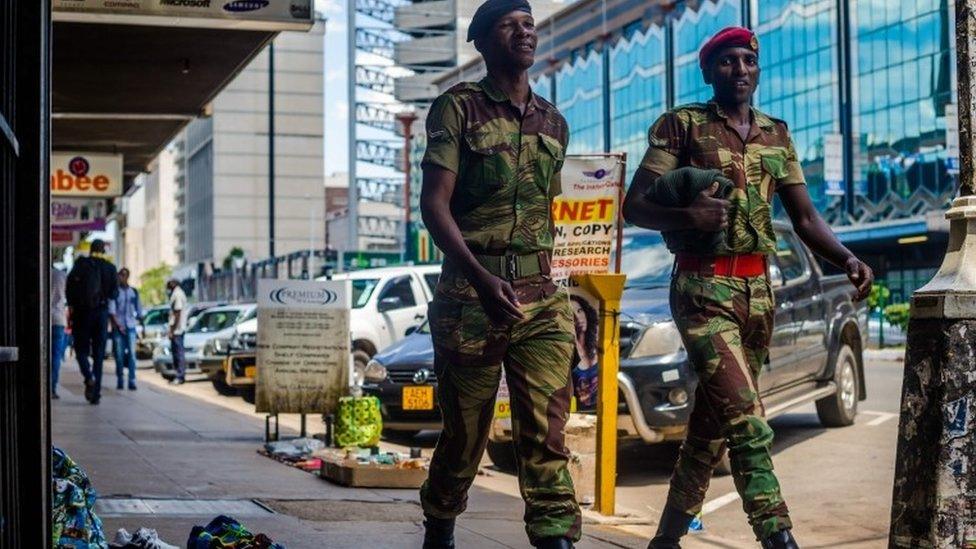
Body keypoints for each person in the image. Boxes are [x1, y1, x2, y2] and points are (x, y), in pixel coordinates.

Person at [622, 27, 874, 549]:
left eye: (748, 62)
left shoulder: (775, 134)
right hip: (701, 288)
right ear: (709, 71)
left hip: (759, 293)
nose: (740, 70)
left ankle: (665, 541)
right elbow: (636, 204)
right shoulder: (682, 126)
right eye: (727, 62)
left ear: (758, 70)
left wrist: (847, 257)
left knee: (711, 426)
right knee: (746, 419)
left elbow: (805, 218)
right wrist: (686, 213)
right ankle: (777, 535)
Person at [418, 0, 579, 547]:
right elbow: (434, 206)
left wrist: (570, 299)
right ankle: (439, 525)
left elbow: (551, 218)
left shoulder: (555, 121)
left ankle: (555, 536)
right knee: (466, 436)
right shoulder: (456, 109)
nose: (524, 32)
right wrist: (481, 280)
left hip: (541, 298)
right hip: (471, 293)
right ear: (483, 42)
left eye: (529, 24)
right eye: (510, 25)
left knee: (547, 435)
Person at [66, 239, 119, 404]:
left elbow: (69, 289)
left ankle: (88, 377)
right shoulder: (110, 268)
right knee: (98, 354)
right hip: (101, 314)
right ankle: (95, 394)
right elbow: (114, 294)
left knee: (81, 350)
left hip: (82, 314)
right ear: (103, 251)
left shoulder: (81, 264)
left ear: (90, 249)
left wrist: (73, 306)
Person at [110, 267, 142, 390]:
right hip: (119, 328)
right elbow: (112, 312)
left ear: (127, 276)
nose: (121, 277)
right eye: (120, 275)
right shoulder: (115, 292)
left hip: (131, 327)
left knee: (132, 355)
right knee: (119, 355)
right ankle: (120, 379)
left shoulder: (133, 292)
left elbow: (139, 310)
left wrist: (140, 324)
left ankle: (132, 380)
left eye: (124, 275)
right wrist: (117, 325)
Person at [569, 294, 598, 410]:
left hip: (602, 410)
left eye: (580, 311)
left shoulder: (597, 346)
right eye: (571, 314)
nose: (578, 317)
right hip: (579, 414)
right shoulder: (567, 351)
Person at [166, 278, 188, 385]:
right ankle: (178, 375)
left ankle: (180, 376)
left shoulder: (177, 294)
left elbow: (177, 312)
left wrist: (172, 330)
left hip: (177, 330)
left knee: (179, 354)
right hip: (177, 329)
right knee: (176, 353)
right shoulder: (177, 293)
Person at [51, 266, 68, 399]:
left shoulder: (40, 273)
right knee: (56, 356)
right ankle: (52, 388)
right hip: (58, 318)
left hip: (42, 318)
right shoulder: (61, 275)